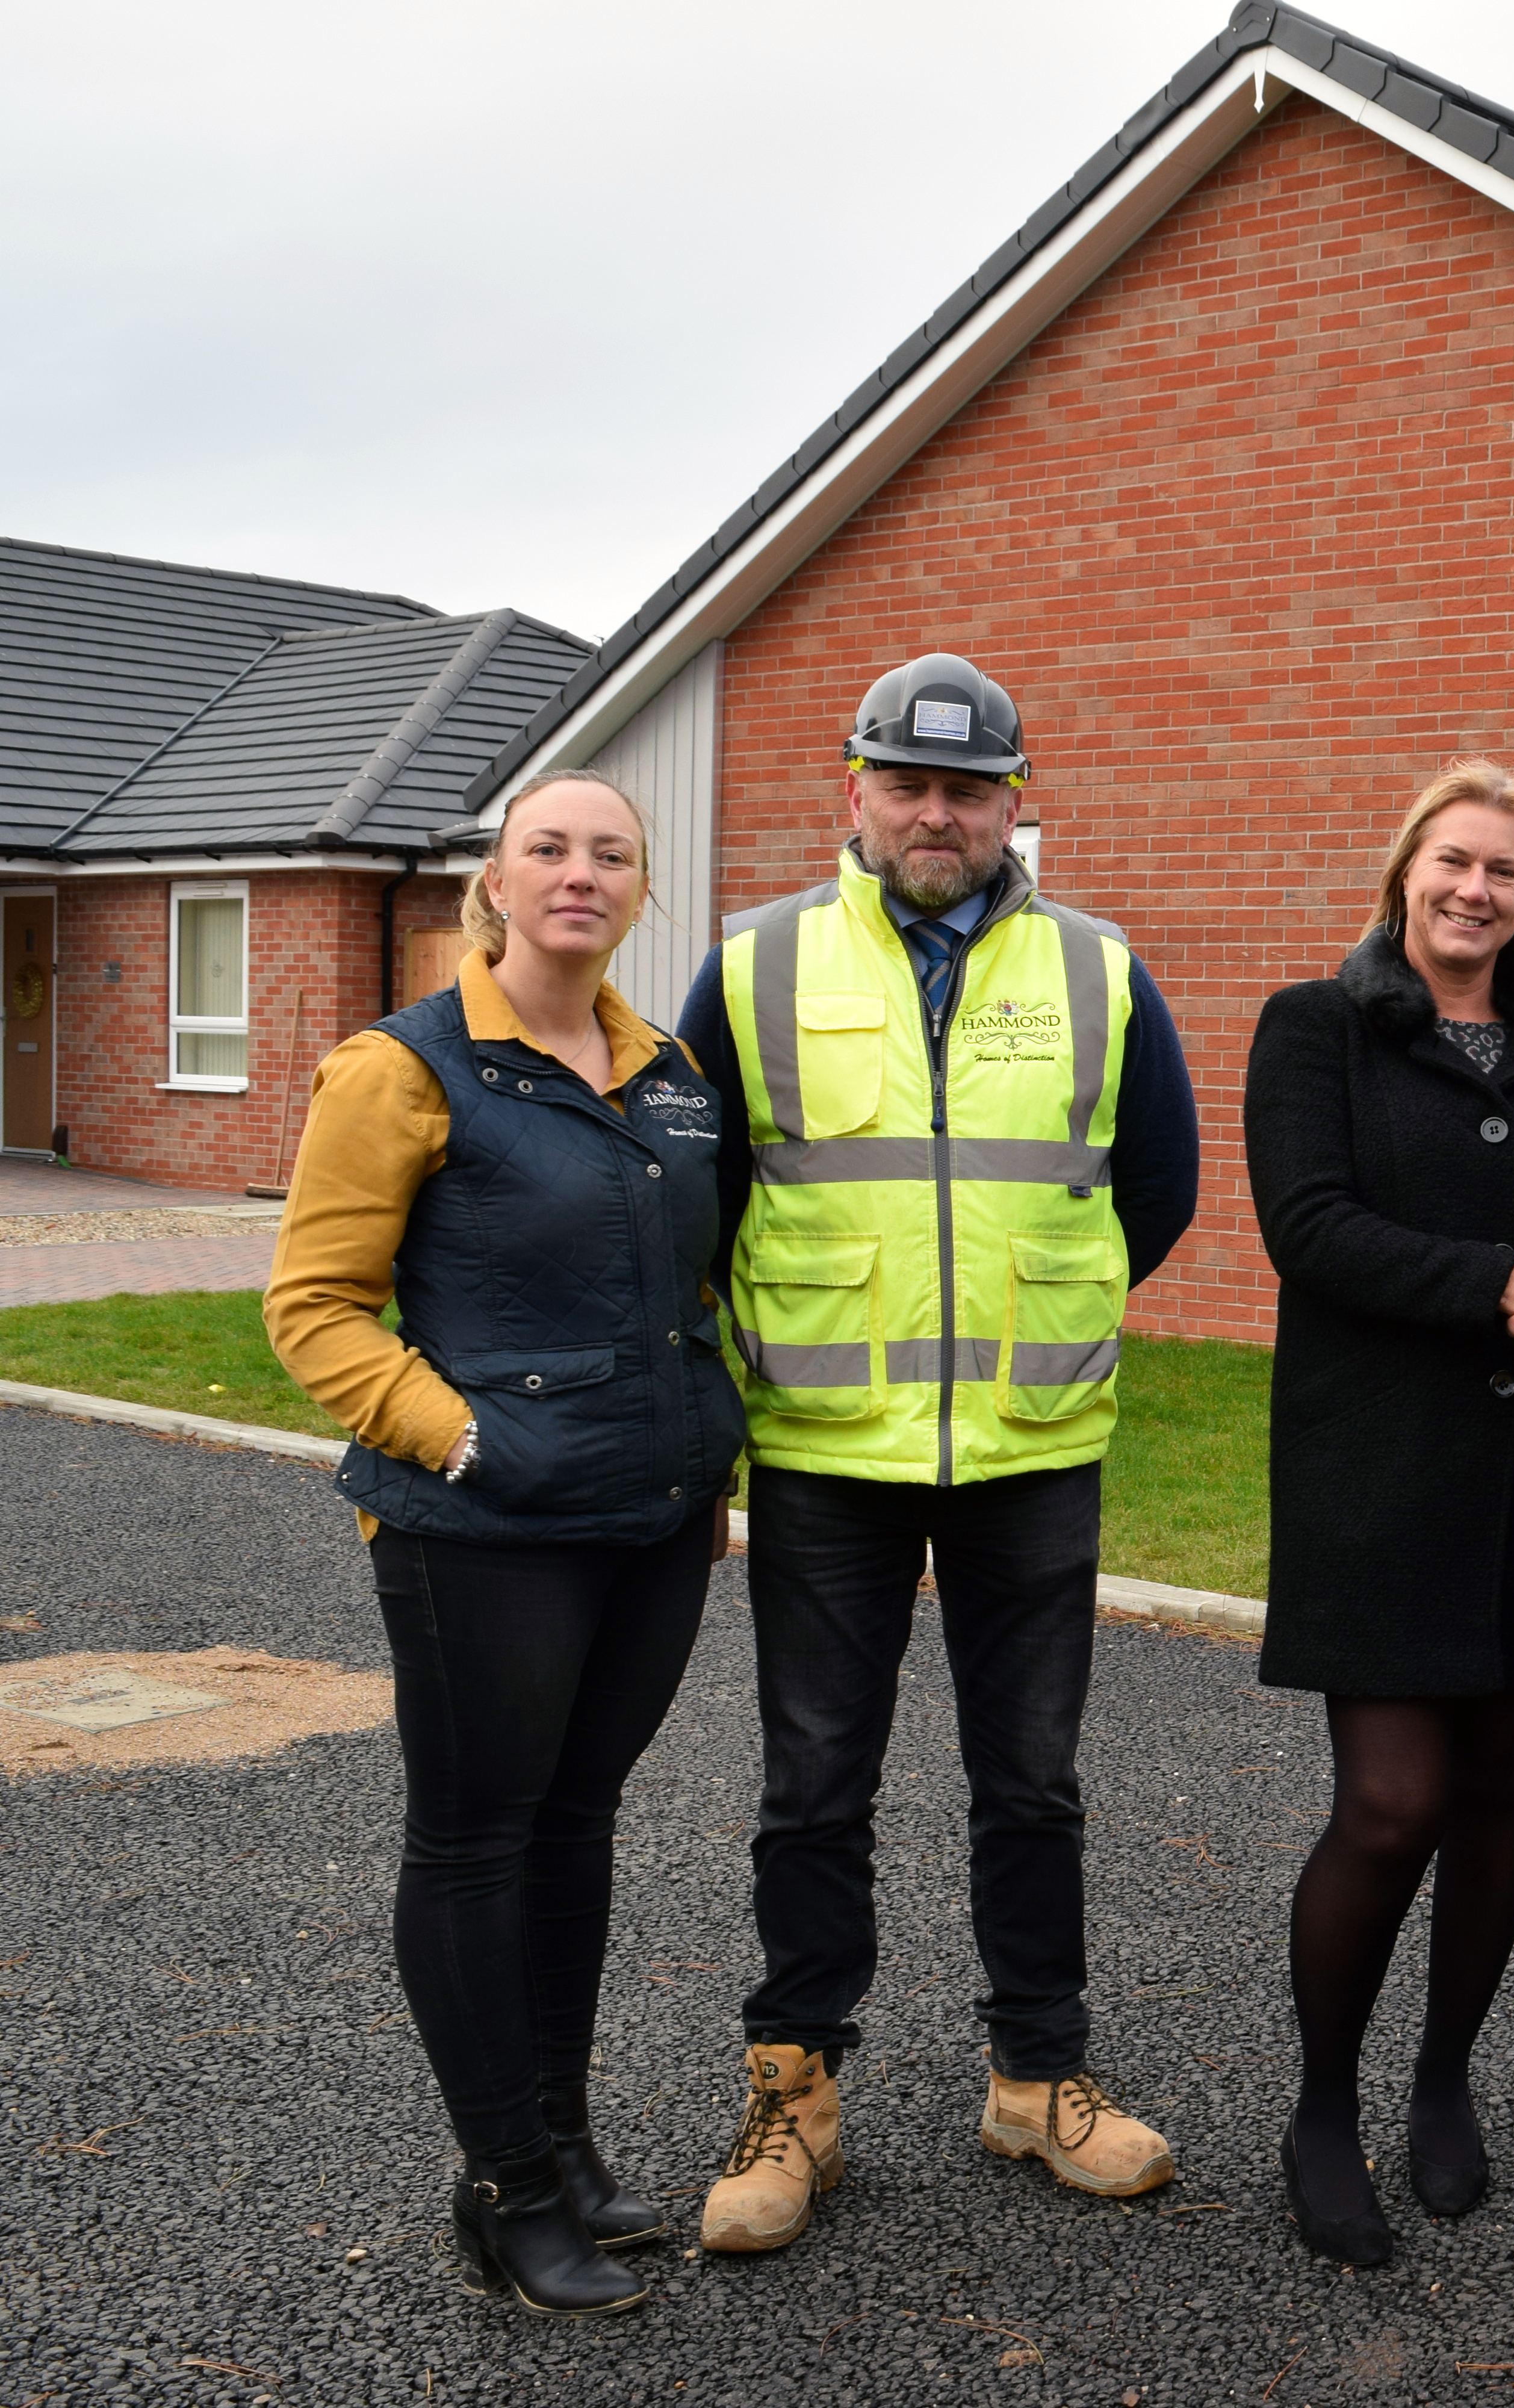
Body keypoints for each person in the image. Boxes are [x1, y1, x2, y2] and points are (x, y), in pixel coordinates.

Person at [669, 651, 1199, 2254]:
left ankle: (1038, 2080)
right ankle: (795, 2100)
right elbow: (702, 1199)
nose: (937, 813)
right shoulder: (753, 966)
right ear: (856, 790)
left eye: (968, 788)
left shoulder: (1102, 971)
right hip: (828, 1451)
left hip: (1033, 1449)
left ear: (1014, 801)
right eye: (907, 781)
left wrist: (1050, 1320)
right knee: (813, 1787)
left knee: (1029, 1783)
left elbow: (1154, 1189)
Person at [264, 767, 747, 2316]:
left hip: (654, 1523)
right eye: (550, 846)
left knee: (577, 1824)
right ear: (498, 877)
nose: (581, 873)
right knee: (478, 1840)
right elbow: (312, 1308)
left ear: (639, 886)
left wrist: (704, 1452)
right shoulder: (402, 1068)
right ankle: (508, 2188)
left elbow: (690, 1284)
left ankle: (569, 2144)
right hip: (483, 1531)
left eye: (612, 852)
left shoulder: (667, 1068)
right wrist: (462, 1433)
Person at [1241, 760, 1514, 2265]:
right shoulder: (1316, 1026)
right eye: (1453, 861)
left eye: (1504, 871)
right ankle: (1321, 2104)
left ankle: (1442, 2077)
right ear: (1405, 870)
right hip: (1382, 1479)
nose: (1475, 890)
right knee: (1393, 1799)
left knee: (1499, 1801)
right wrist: (1504, 1286)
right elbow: (1312, 1229)